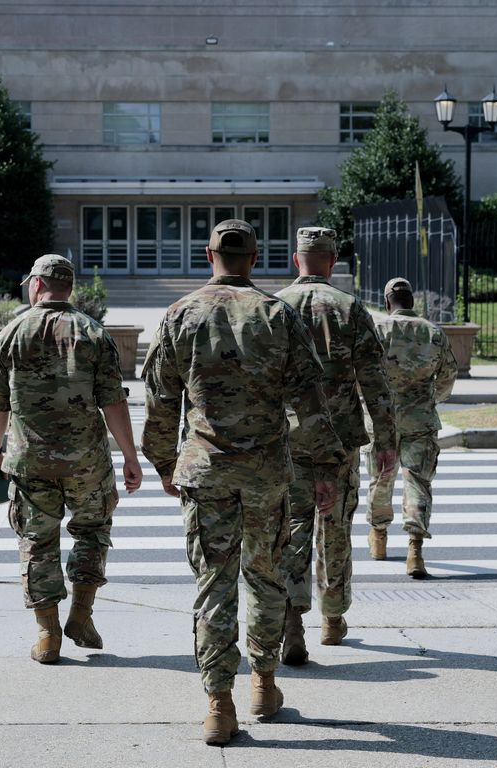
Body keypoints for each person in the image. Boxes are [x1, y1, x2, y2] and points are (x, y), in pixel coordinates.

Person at [142, 219, 346, 745]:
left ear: (209, 254)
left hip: (206, 470)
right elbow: (309, 401)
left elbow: (161, 402)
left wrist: (165, 463)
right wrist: (323, 466)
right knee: (265, 576)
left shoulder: (180, 314)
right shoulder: (277, 314)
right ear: (255, 259)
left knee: (213, 584)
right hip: (267, 473)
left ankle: (218, 702)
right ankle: (263, 682)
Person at [0, 254, 142, 665]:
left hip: (30, 461)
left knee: (37, 543)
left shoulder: (12, 333)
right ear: (69, 287)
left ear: (36, 285)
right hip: (86, 462)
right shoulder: (93, 333)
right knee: (92, 533)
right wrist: (130, 456)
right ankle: (82, 616)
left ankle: (47, 634)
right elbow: (113, 401)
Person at [274, 227, 397, 663]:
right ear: (332, 260)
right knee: (335, 528)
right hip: (339, 439)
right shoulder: (350, 309)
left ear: (296, 259)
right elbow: (375, 381)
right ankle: (331, 616)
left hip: (287, 439)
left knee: (290, 530)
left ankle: (291, 621)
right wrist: (386, 438)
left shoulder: (274, 307)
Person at [367, 277, 457, 578]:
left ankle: (378, 536)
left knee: (381, 477)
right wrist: (430, 399)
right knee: (417, 481)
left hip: (382, 419)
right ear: (412, 301)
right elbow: (447, 377)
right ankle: (415, 549)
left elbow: (361, 376)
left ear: (386, 302)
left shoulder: (377, 331)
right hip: (420, 418)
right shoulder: (432, 332)